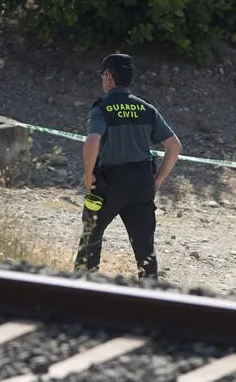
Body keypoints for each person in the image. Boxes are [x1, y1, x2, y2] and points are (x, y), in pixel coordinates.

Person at [73, 53, 182, 281]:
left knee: (91, 234)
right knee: (145, 248)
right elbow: (174, 146)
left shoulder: (102, 108)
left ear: (109, 77)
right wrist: (158, 180)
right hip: (142, 182)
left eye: (103, 76)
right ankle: (150, 296)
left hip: (111, 182)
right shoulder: (145, 108)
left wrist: (88, 173)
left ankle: (82, 290)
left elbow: (93, 141)